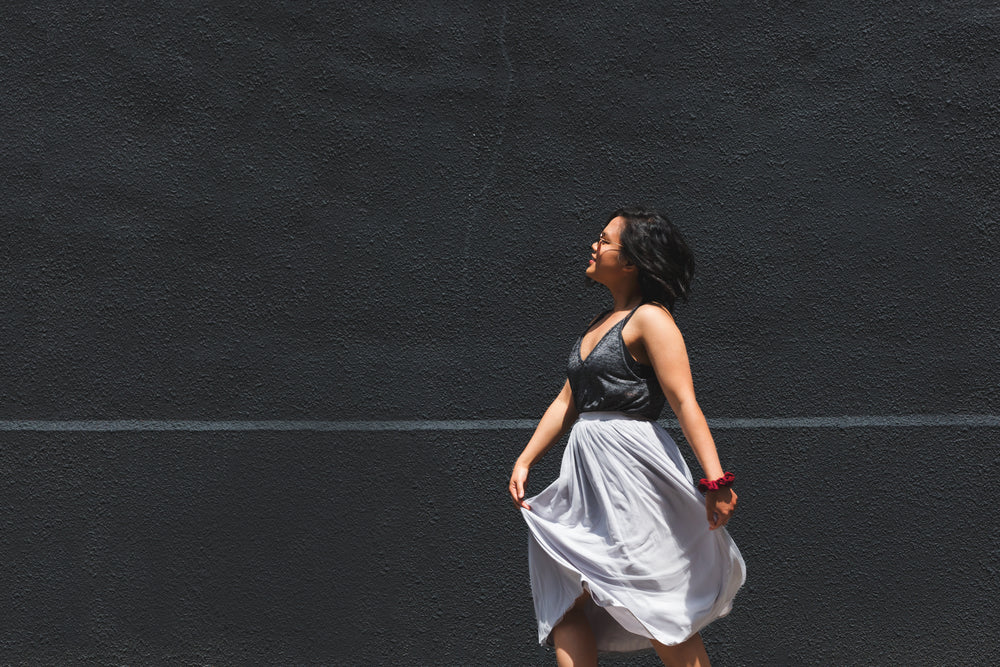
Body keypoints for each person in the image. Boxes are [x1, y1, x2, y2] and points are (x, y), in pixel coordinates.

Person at [509, 207, 745, 667]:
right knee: (567, 600)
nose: (593, 246)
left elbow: (684, 402)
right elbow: (566, 402)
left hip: (630, 471)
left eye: (604, 240)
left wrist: (716, 482)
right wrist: (525, 459)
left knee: (655, 601)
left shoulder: (651, 319)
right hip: (586, 474)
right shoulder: (599, 323)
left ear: (633, 260)